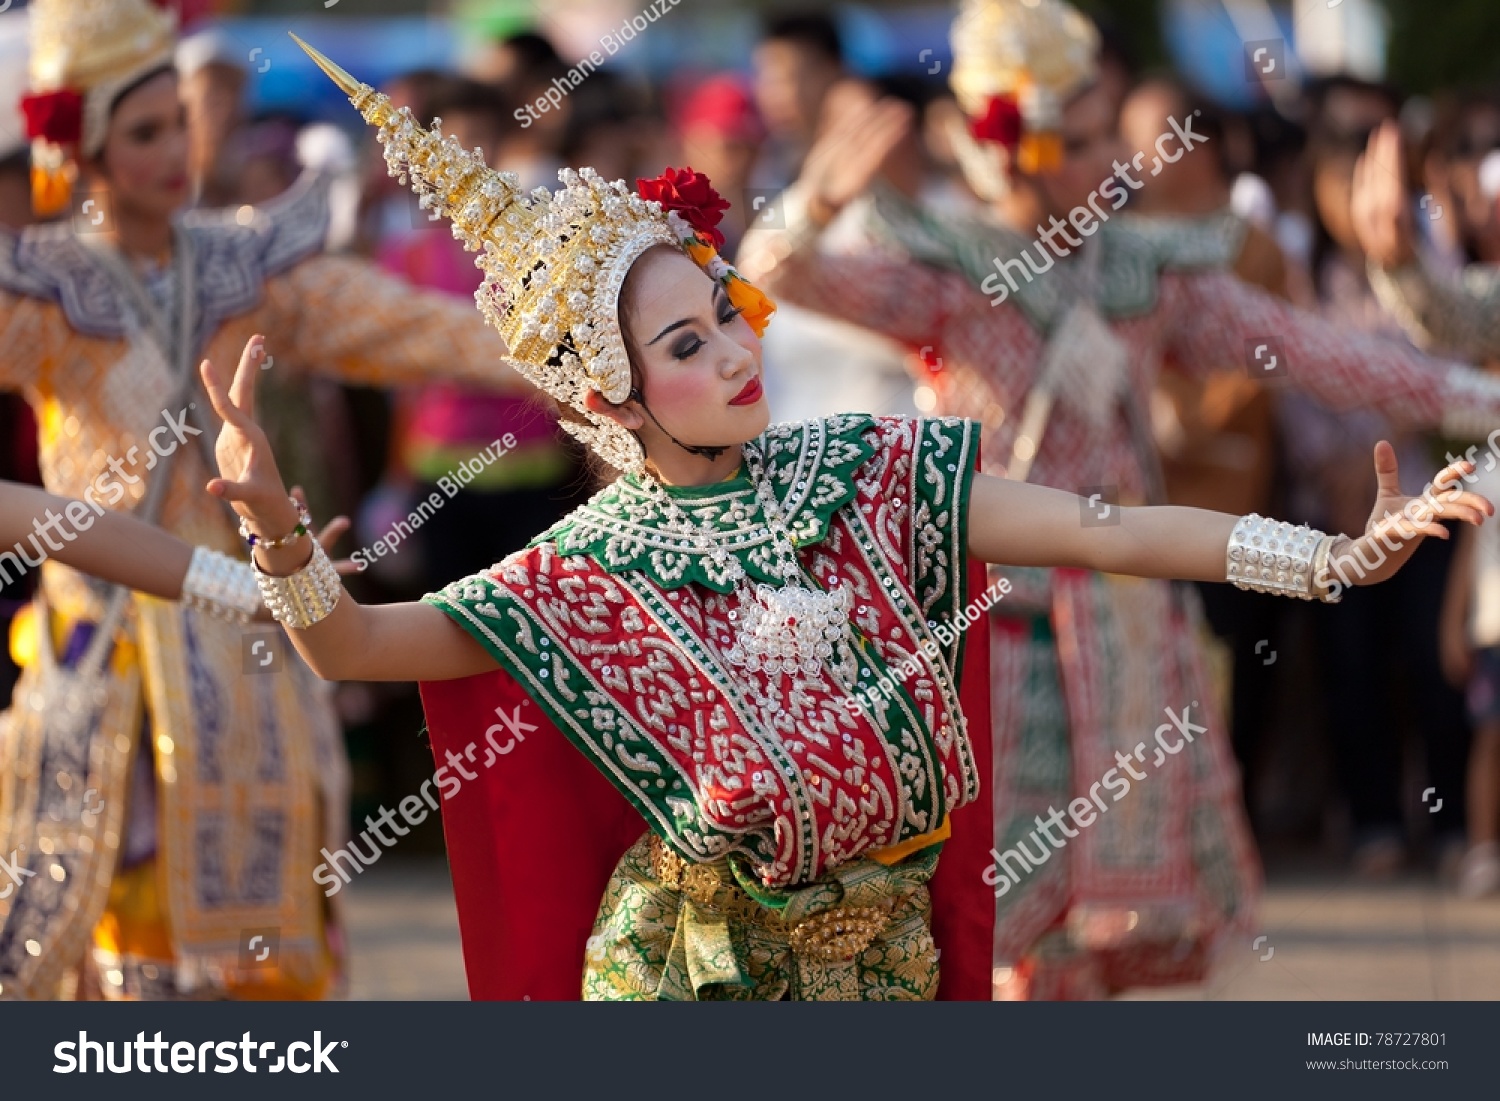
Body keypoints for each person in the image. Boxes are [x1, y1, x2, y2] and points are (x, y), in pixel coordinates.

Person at [200, 37, 1491, 1003]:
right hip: (701, 971)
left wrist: (1330, 557)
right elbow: (366, 648)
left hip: (896, 949)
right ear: (606, 390)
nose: (739, 348)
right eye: (691, 340)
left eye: (728, 313)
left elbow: (1105, 526)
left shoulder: (865, 471)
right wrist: (275, 535)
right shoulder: (587, 565)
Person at [736, 0, 1500, 998]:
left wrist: (1480, 396)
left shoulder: (1148, 273)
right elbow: (771, 278)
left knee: (1108, 936)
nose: (1119, 165)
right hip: (983, 626)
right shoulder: (953, 275)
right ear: (1020, 148)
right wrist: (810, 204)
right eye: (1091, 138)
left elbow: (1326, 355)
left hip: (1128, 623)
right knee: (983, 926)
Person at [0, 0, 523, 1002]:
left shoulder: (244, 264)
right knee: (88, 928)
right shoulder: (44, 290)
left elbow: (409, 328)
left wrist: (567, 355)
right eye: (141, 131)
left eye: (177, 125)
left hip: (246, 644)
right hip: (101, 653)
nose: (172, 152)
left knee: (265, 952)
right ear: (81, 145)